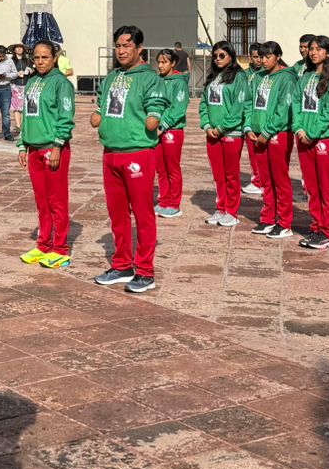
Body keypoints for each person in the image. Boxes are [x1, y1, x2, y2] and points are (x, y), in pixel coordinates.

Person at [91, 24, 167, 294]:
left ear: (139, 49)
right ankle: (122, 264)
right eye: (118, 45)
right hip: (111, 153)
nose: (121, 50)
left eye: (127, 45)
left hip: (138, 153)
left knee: (143, 213)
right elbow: (101, 102)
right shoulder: (112, 77)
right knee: (117, 214)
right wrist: (98, 116)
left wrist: (154, 117)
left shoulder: (150, 78)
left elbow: (156, 104)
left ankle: (145, 271)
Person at [15, 40, 75, 268]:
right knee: (41, 200)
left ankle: (60, 248)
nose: (40, 62)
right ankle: (43, 244)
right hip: (33, 149)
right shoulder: (31, 82)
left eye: (45, 57)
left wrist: (58, 146)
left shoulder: (61, 83)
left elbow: (65, 117)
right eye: (37, 57)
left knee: (56, 200)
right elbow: (27, 115)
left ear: (55, 57)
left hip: (53, 148)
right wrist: (22, 144)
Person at [246, 42, 298, 239]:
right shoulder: (258, 77)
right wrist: (249, 126)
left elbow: (283, 109)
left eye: (268, 57)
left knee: (280, 179)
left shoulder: (286, 78)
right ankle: (268, 217)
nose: (264, 60)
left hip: (277, 134)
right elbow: (249, 102)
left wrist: (267, 131)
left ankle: (284, 222)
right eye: (261, 57)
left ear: (278, 56)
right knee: (266, 180)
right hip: (257, 134)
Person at [294, 36, 329, 249]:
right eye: (311, 49)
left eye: (318, 49)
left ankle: (327, 231)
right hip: (303, 136)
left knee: (326, 186)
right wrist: (299, 128)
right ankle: (316, 226)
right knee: (311, 187)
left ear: (328, 53)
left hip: (323, 139)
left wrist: (313, 132)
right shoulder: (305, 77)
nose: (313, 53)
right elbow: (296, 103)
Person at [199, 40, 247, 229]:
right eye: (215, 56)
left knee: (231, 175)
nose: (218, 59)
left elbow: (238, 107)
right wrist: (207, 124)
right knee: (218, 174)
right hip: (212, 133)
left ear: (231, 56)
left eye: (222, 55)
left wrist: (222, 127)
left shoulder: (238, 77)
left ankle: (232, 211)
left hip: (231, 133)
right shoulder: (212, 76)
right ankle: (221, 207)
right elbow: (204, 103)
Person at [153, 48, 190, 219]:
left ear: (173, 63)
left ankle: (174, 203)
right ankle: (164, 200)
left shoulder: (179, 82)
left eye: (164, 62)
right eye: (159, 62)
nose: (160, 65)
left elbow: (178, 108)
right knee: (160, 168)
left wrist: (164, 124)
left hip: (171, 130)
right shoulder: (157, 80)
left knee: (172, 167)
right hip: (156, 130)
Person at [241, 43, 268, 197]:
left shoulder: (267, 74)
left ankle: (261, 181)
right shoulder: (244, 74)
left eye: (261, 57)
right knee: (252, 152)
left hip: (261, 117)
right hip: (247, 117)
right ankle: (256, 178)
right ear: (250, 57)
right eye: (256, 57)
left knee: (261, 151)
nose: (259, 60)